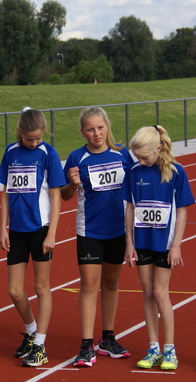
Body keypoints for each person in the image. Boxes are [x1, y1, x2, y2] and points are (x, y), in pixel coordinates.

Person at [61, 106, 135, 367]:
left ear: (107, 127)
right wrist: (72, 183)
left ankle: (108, 338)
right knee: (89, 286)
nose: (96, 133)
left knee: (112, 284)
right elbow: (66, 195)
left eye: (100, 127)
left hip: (117, 229)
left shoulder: (122, 154)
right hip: (89, 230)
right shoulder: (76, 157)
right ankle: (85, 344)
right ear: (83, 132)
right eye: (90, 129)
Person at [0, 108, 66, 367]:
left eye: (38, 138)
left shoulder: (48, 154)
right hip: (16, 230)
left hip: (40, 230)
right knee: (14, 290)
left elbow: (56, 196)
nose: (34, 143)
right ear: (19, 133)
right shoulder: (10, 153)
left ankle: (40, 345)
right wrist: (2, 227)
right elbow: (4, 192)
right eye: (29, 139)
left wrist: (52, 233)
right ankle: (31, 330)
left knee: (41, 287)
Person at [123, 125, 195, 371]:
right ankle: (153, 347)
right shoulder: (133, 172)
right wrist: (129, 243)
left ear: (159, 148)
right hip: (142, 241)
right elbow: (130, 207)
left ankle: (169, 349)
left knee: (161, 293)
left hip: (164, 242)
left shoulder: (175, 172)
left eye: (145, 156)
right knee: (147, 292)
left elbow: (183, 209)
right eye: (137, 157)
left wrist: (177, 245)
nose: (141, 161)